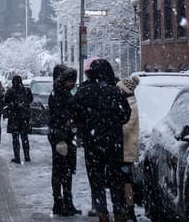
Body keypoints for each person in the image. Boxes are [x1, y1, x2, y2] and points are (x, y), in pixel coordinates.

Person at [73, 59, 132, 222]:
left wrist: (86, 127)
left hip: (92, 143)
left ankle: (102, 214)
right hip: (114, 143)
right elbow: (125, 115)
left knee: (96, 180)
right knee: (116, 180)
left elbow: (75, 115)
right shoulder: (115, 91)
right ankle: (119, 213)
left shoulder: (83, 91)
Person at [47, 65, 80, 217]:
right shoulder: (58, 95)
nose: (72, 83)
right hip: (61, 138)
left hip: (65, 136)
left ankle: (65, 201)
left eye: (73, 81)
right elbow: (59, 117)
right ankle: (60, 202)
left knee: (65, 170)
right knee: (61, 169)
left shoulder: (63, 93)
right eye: (69, 81)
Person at [116, 74, 141, 221]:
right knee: (125, 181)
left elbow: (125, 128)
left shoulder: (132, 105)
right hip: (125, 150)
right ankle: (127, 209)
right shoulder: (129, 103)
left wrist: (113, 128)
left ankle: (129, 210)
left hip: (126, 151)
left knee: (126, 182)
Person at [2, 75, 33, 163]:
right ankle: (27, 156)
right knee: (24, 137)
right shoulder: (26, 90)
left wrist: (12, 104)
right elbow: (30, 100)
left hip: (14, 117)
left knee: (15, 139)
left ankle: (17, 157)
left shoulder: (10, 91)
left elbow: (5, 101)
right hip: (24, 117)